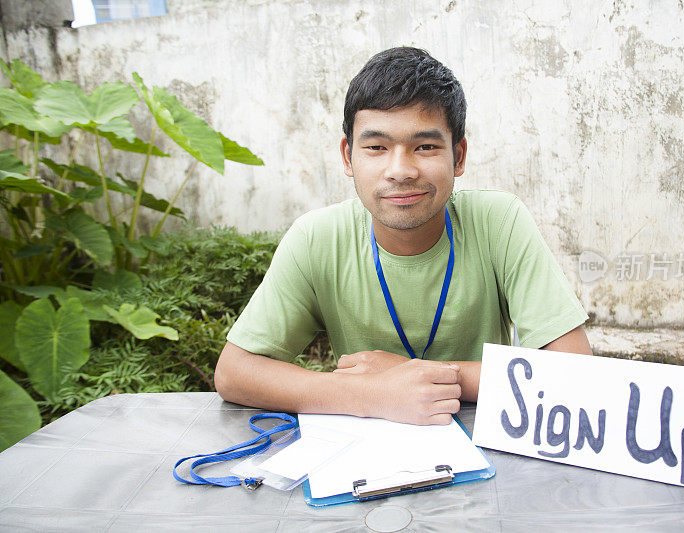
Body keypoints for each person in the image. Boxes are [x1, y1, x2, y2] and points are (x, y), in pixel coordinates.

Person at [214, 47, 592, 425]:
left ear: (458, 156)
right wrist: (372, 393)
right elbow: (234, 373)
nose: (400, 170)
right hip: (362, 458)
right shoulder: (317, 239)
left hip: (488, 443)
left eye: (425, 146)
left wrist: (414, 376)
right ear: (348, 157)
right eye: (376, 147)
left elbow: (574, 371)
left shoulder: (499, 223)